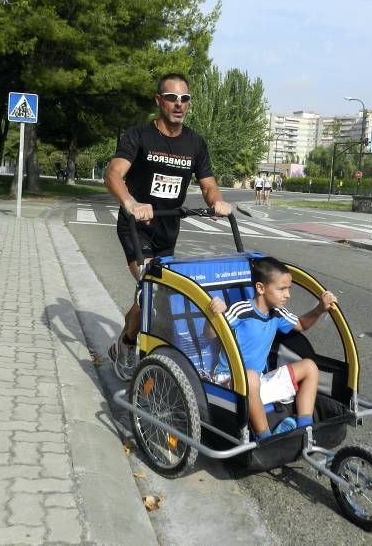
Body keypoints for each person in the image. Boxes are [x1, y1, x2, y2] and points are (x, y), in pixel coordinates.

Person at [104, 72, 232, 378]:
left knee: (155, 293)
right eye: (172, 98)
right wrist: (131, 203)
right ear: (159, 101)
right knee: (153, 291)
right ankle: (138, 352)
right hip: (137, 228)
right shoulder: (138, 136)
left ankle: (128, 341)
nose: (179, 104)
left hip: (167, 230)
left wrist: (216, 201)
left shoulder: (195, 143)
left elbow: (208, 185)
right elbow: (113, 175)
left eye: (184, 99)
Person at [209, 257, 337, 440]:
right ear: (260, 288)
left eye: (289, 289)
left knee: (310, 367)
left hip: (258, 381)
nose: (288, 295)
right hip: (228, 381)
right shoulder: (240, 310)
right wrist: (216, 314)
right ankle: (267, 439)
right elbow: (210, 334)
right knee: (251, 377)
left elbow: (301, 324)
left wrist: (319, 309)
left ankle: (304, 431)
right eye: (282, 289)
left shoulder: (277, 313)